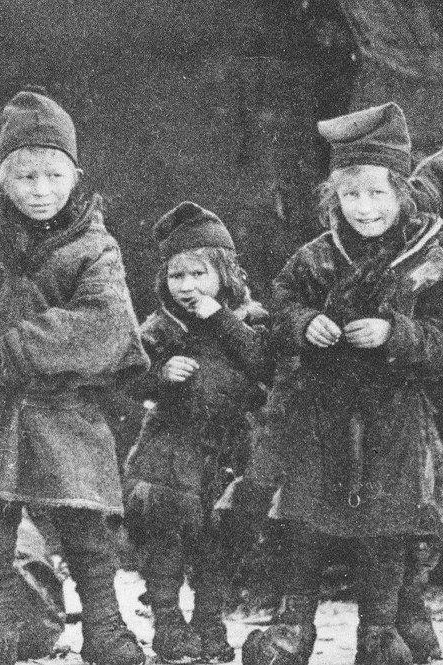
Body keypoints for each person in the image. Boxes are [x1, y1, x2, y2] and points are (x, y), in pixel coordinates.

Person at [0, 88, 150, 665]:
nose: (40, 191)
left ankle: (105, 631)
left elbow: (105, 323)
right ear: (2, 179)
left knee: (85, 530)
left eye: (52, 175)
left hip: (64, 411)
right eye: (25, 178)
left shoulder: (96, 249)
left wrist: (6, 346)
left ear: (76, 175)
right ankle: (0, 626)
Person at [242, 102, 443, 665]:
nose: (365, 208)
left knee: (386, 527)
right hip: (319, 414)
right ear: (334, 198)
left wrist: (395, 333)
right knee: (305, 520)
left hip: (395, 417)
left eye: (378, 193)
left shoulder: (428, 261)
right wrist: (307, 323)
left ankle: (380, 632)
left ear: (404, 193)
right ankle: (292, 628)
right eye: (351, 195)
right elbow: (278, 308)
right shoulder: (316, 258)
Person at [122, 201, 271, 664]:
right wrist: (161, 374)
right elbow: (129, 375)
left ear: (225, 273)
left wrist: (219, 318)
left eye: (198, 274)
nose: (186, 287)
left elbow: (265, 365)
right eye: (175, 276)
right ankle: (167, 622)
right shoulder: (161, 327)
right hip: (170, 449)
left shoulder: (250, 321)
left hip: (229, 449)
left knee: (219, 543)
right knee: (163, 537)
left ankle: (209, 621)